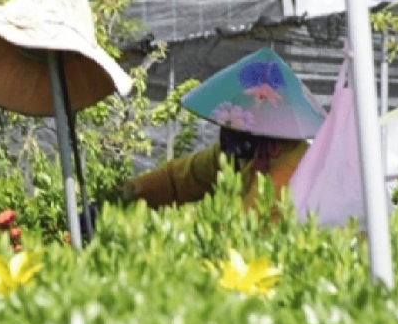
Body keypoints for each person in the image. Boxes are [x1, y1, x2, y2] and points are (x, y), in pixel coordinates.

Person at [97, 47, 325, 212]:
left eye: (234, 126)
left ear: (259, 131)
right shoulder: (236, 156)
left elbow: (250, 234)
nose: (225, 133)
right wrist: (117, 198)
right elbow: (177, 180)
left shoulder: (289, 167)